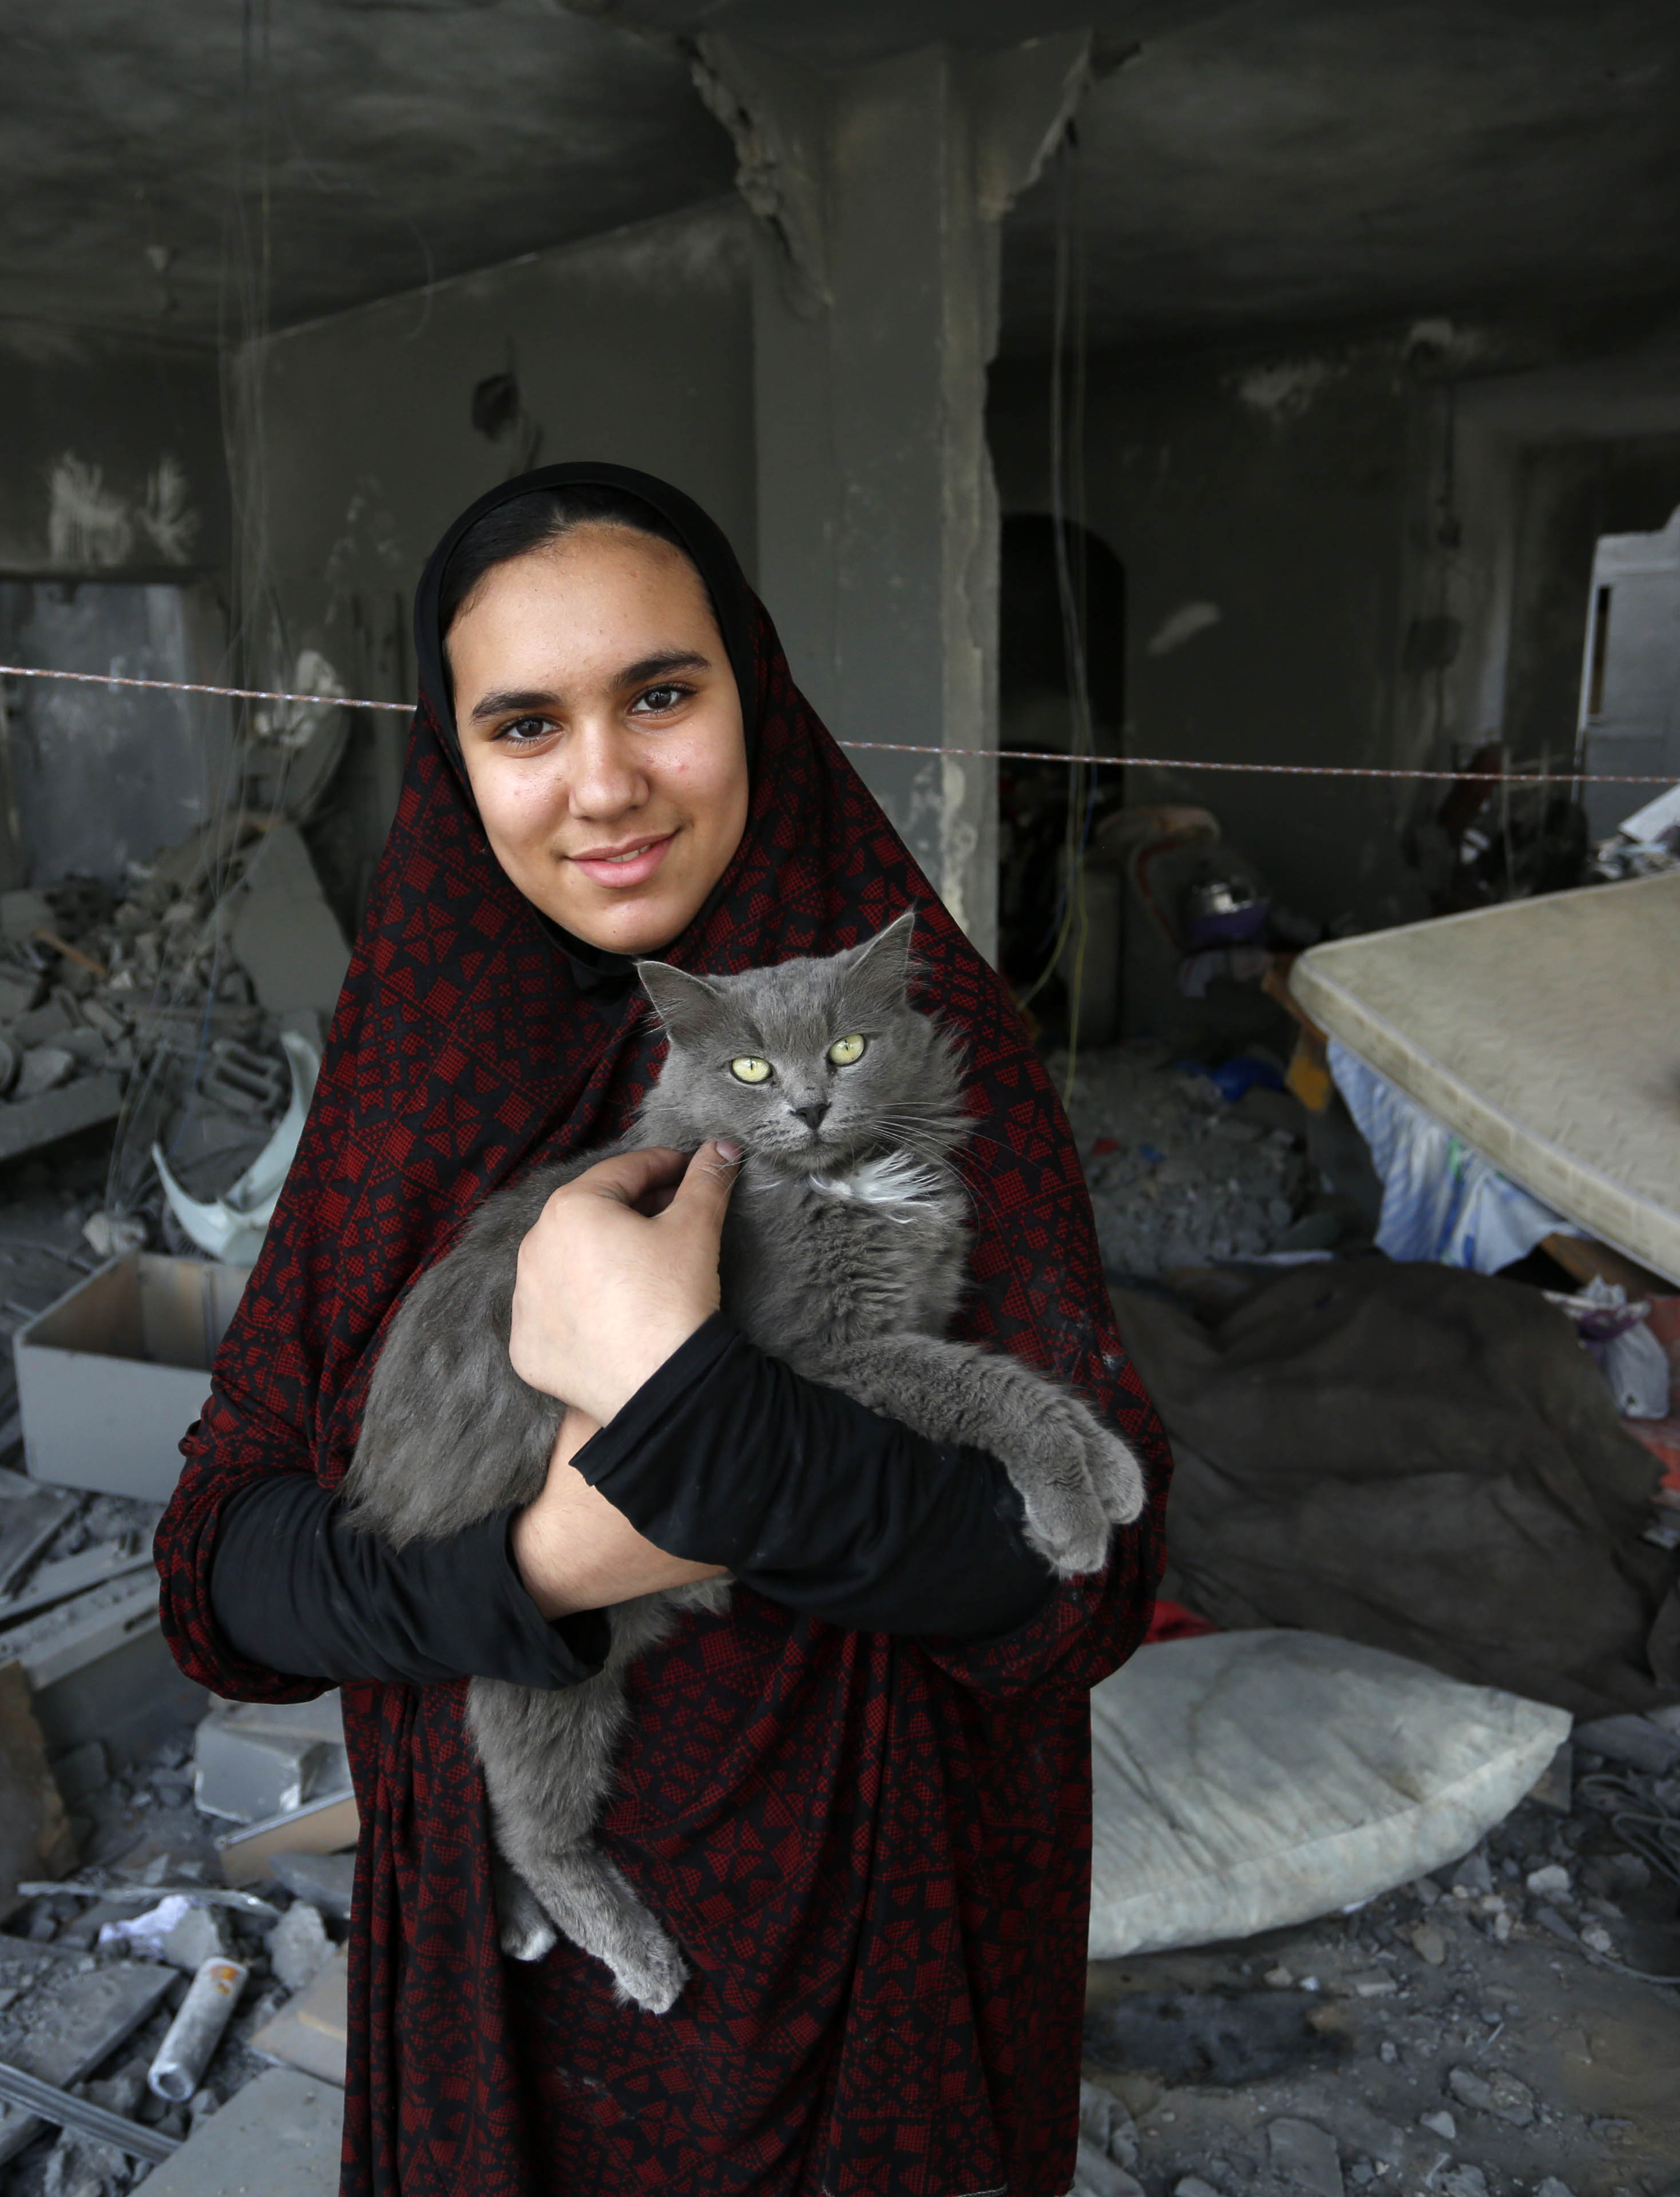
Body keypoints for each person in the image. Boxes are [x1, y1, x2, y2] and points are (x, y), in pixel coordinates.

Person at [155, 461, 1178, 2197]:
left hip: (868, 1957)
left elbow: (1072, 1604)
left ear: (751, 696)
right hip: (496, 2000)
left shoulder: (926, 1047)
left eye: (658, 694)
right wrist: (550, 1558)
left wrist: (694, 1414)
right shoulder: (408, 1085)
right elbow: (220, 1572)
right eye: (523, 724)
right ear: (456, 758)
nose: (606, 784)